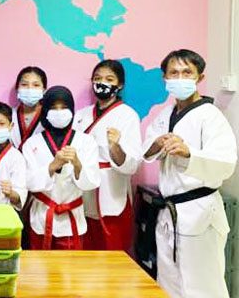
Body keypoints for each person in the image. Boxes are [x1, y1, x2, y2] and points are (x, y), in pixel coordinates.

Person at [143, 49, 237, 298]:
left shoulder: (211, 116)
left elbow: (226, 163)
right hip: (169, 213)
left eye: (187, 72)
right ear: (165, 78)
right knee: (169, 283)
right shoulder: (166, 114)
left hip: (200, 212)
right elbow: (147, 150)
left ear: (200, 77)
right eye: (174, 73)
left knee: (202, 287)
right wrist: (156, 145)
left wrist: (189, 153)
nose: (180, 78)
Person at [73, 59, 142, 251]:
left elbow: (132, 165)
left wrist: (115, 147)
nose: (102, 83)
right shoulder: (81, 115)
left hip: (111, 193)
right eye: (97, 78)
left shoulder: (127, 115)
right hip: (82, 191)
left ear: (120, 85)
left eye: (109, 79)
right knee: (84, 254)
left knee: (113, 255)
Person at [23, 86, 99, 250]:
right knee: (40, 265)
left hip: (72, 219)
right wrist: (52, 166)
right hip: (41, 217)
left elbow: (92, 182)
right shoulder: (32, 143)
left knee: (70, 267)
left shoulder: (86, 141)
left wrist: (77, 163)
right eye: (54, 108)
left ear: (72, 110)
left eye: (64, 107)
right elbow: (28, 182)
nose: (59, 112)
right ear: (45, 111)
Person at [11, 66, 47, 149]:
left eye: (36, 85)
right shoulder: (8, 115)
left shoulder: (49, 116)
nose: (30, 89)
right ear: (17, 88)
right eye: (24, 84)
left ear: (44, 90)